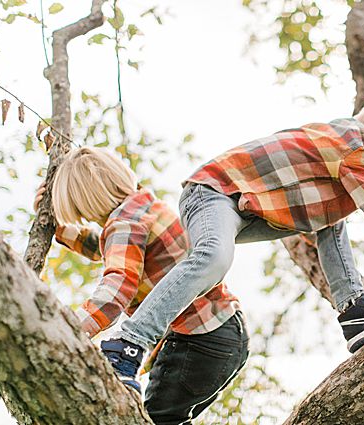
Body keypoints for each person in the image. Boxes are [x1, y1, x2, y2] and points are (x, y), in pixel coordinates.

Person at [97, 90, 364, 389]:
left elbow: (326, 213)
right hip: (213, 192)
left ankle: (355, 309)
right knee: (213, 257)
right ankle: (126, 344)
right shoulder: (356, 146)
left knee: (335, 210)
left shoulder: (335, 150)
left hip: (243, 205)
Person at [43, 147, 247, 423]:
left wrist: (69, 329)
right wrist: (60, 230)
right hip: (227, 333)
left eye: (81, 212)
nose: (87, 219)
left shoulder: (123, 224)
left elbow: (117, 288)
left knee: (156, 419)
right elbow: (114, 250)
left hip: (199, 341)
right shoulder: (144, 206)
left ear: (86, 202)